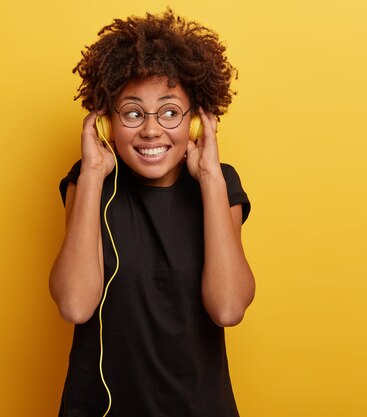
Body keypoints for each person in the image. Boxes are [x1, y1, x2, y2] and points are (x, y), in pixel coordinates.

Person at [49, 9, 255, 417]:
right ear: (107, 123)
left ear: (196, 123)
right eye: (131, 112)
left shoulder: (218, 184)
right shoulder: (90, 182)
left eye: (169, 111)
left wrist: (211, 177)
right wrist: (91, 172)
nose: (150, 129)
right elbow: (75, 305)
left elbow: (228, 309)